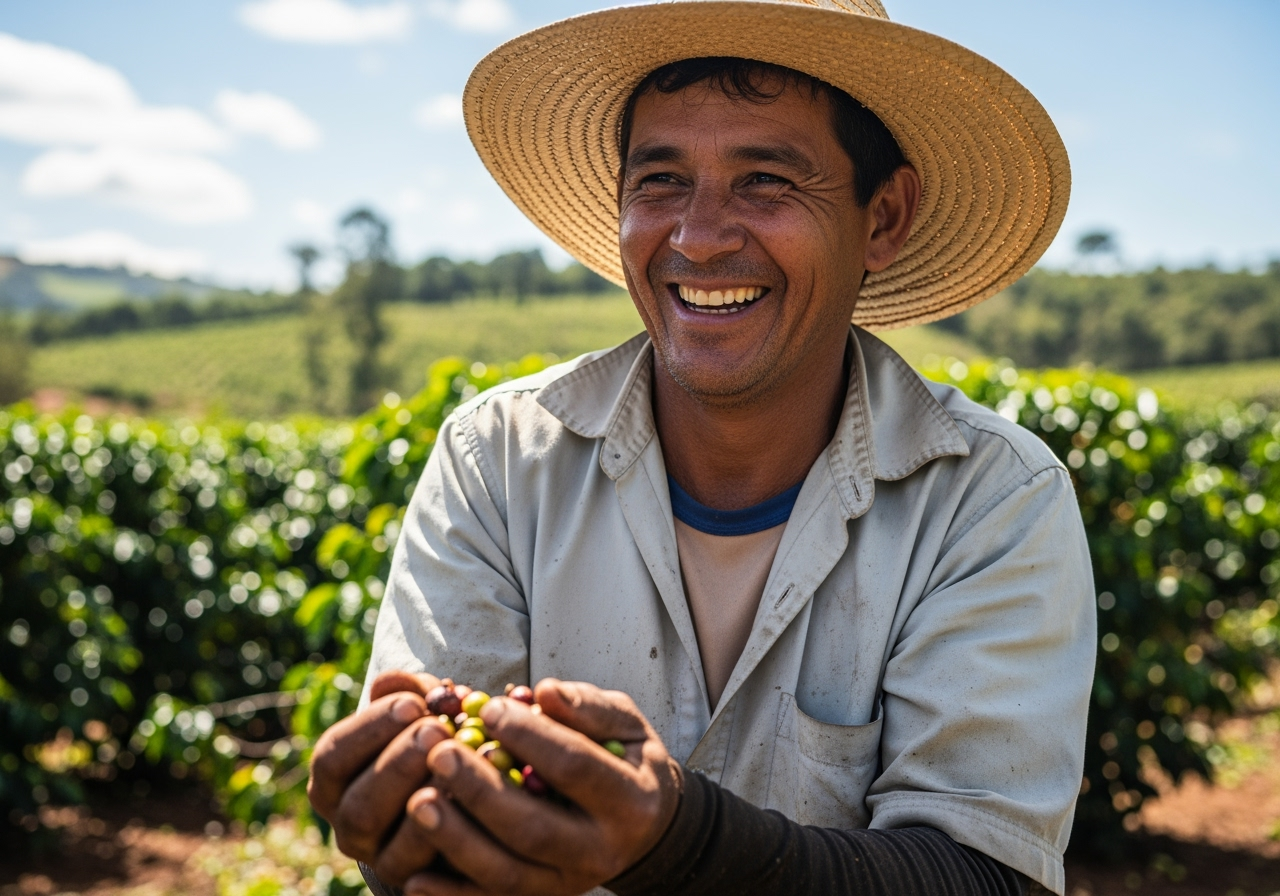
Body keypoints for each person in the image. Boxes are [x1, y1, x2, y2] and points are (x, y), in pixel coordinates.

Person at [306, 2, 1095, 895]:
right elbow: (431, 817)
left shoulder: (991, 499)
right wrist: (412, 822)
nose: (697, 236)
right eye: (660, 182)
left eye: (765, 180)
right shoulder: (499, 462)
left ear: (883, 219)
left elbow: (985, 875)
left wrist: (677, 840)